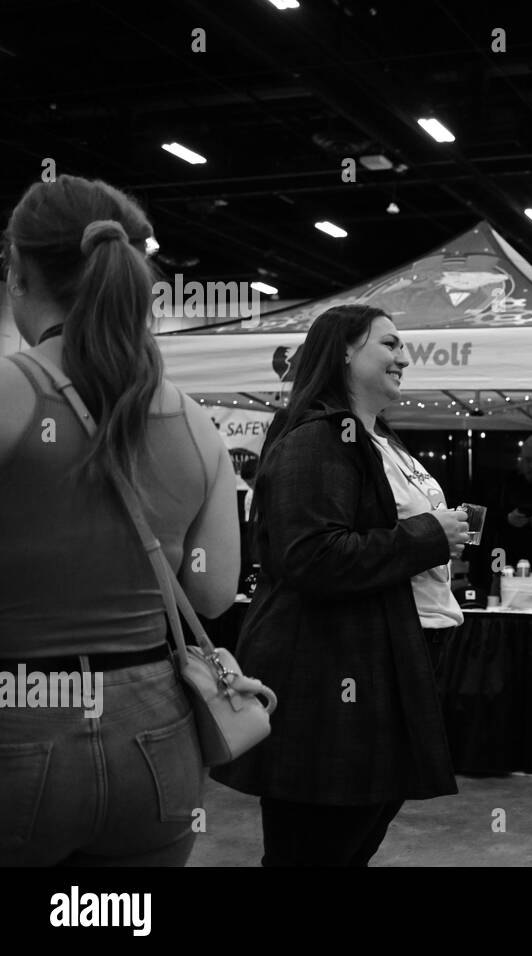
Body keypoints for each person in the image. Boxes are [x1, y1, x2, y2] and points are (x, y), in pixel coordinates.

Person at [0, 175, 239, 865]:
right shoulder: (196, 423)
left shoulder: (15, 392)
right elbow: (212, 594)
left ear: (18, 273)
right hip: (157, 731)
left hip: (21, 713)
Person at [212, 304, 469, 866]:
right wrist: (428, 537)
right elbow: (312, 557)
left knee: (349, 844)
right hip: (331, 679)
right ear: (346, 352)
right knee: (317, 848)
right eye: (390, 344)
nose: (405, 357)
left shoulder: (379, 438)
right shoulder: (317, 439)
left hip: (384, 664)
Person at [496, 434, 532, 566]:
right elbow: (491, 518)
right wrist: (508, 518)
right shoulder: (508, 482)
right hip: (509, 559)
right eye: (528, 460)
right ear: (521, 459)